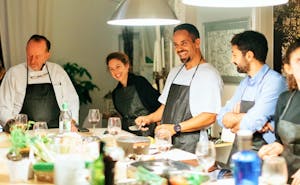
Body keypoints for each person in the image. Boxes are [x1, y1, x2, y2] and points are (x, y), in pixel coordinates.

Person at [135, 23, 223, 153]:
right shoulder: (175, 72)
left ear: (197, 42)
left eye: (184, 43)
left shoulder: (209, 74)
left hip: (193, 145)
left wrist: (175, 128)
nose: (179, 48)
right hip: (167, 142)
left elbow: (210, 116)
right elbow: (166, 106)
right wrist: (149, 118)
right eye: (176, 44)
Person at [217, 30, 286, 161]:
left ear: (249, 55)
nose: (232, 60)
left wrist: (239, 120)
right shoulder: (245, 82)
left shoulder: (275, 82)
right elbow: (221, 117)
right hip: (240, 151)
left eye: (235, 55)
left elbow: (251, 123)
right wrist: (247, 119)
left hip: (264, 155)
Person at [0, 34, 79, 130]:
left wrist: (72, 122)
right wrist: (12, 125)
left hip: (56, 133)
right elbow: (2, 105)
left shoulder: (58, 72)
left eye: (37, 56)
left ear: (47, 56)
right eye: (30, 56)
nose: (33, 61)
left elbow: (72, 100)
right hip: (22, 133)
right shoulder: (13, 73)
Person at [258, 40, 300, 185]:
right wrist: (276, 147)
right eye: (299, 60)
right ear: (288, 68)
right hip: (285, 177)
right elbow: (281, 142)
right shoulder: (285, 99)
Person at [106, 52, 161, 136]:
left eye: (118, 67)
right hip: (127, 134)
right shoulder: (116, 93)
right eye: (111, 69)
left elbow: (159, 106)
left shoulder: (140, 82)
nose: (115, 71)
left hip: (147, 132)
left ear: (127, 66)